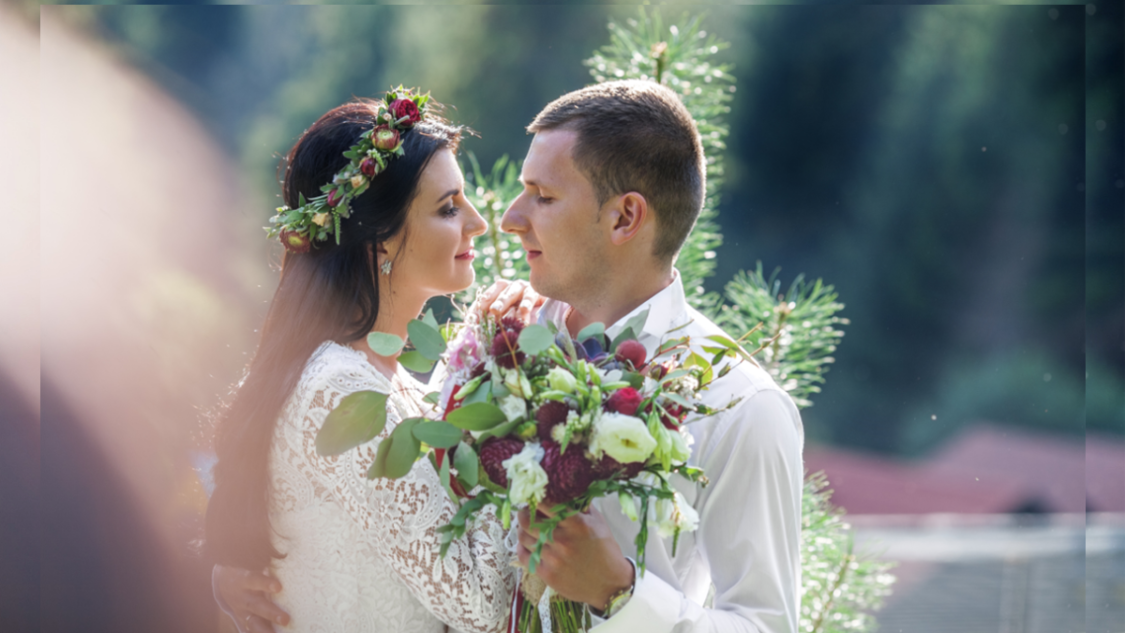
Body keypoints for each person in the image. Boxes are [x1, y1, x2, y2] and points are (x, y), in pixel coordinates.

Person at [218, 80, 803, 633]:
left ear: (625, 217)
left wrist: (621, 594)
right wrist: (232, 559)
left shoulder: (738, 405)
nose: (505, 219)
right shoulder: (499, 335)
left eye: (543, 197)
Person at [204, 93, 544, 633]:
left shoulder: (390, 381)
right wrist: (508, 398)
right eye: (448, 208)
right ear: (378, 241)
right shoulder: (337, 391)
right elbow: (480, 603)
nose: (480, 223)